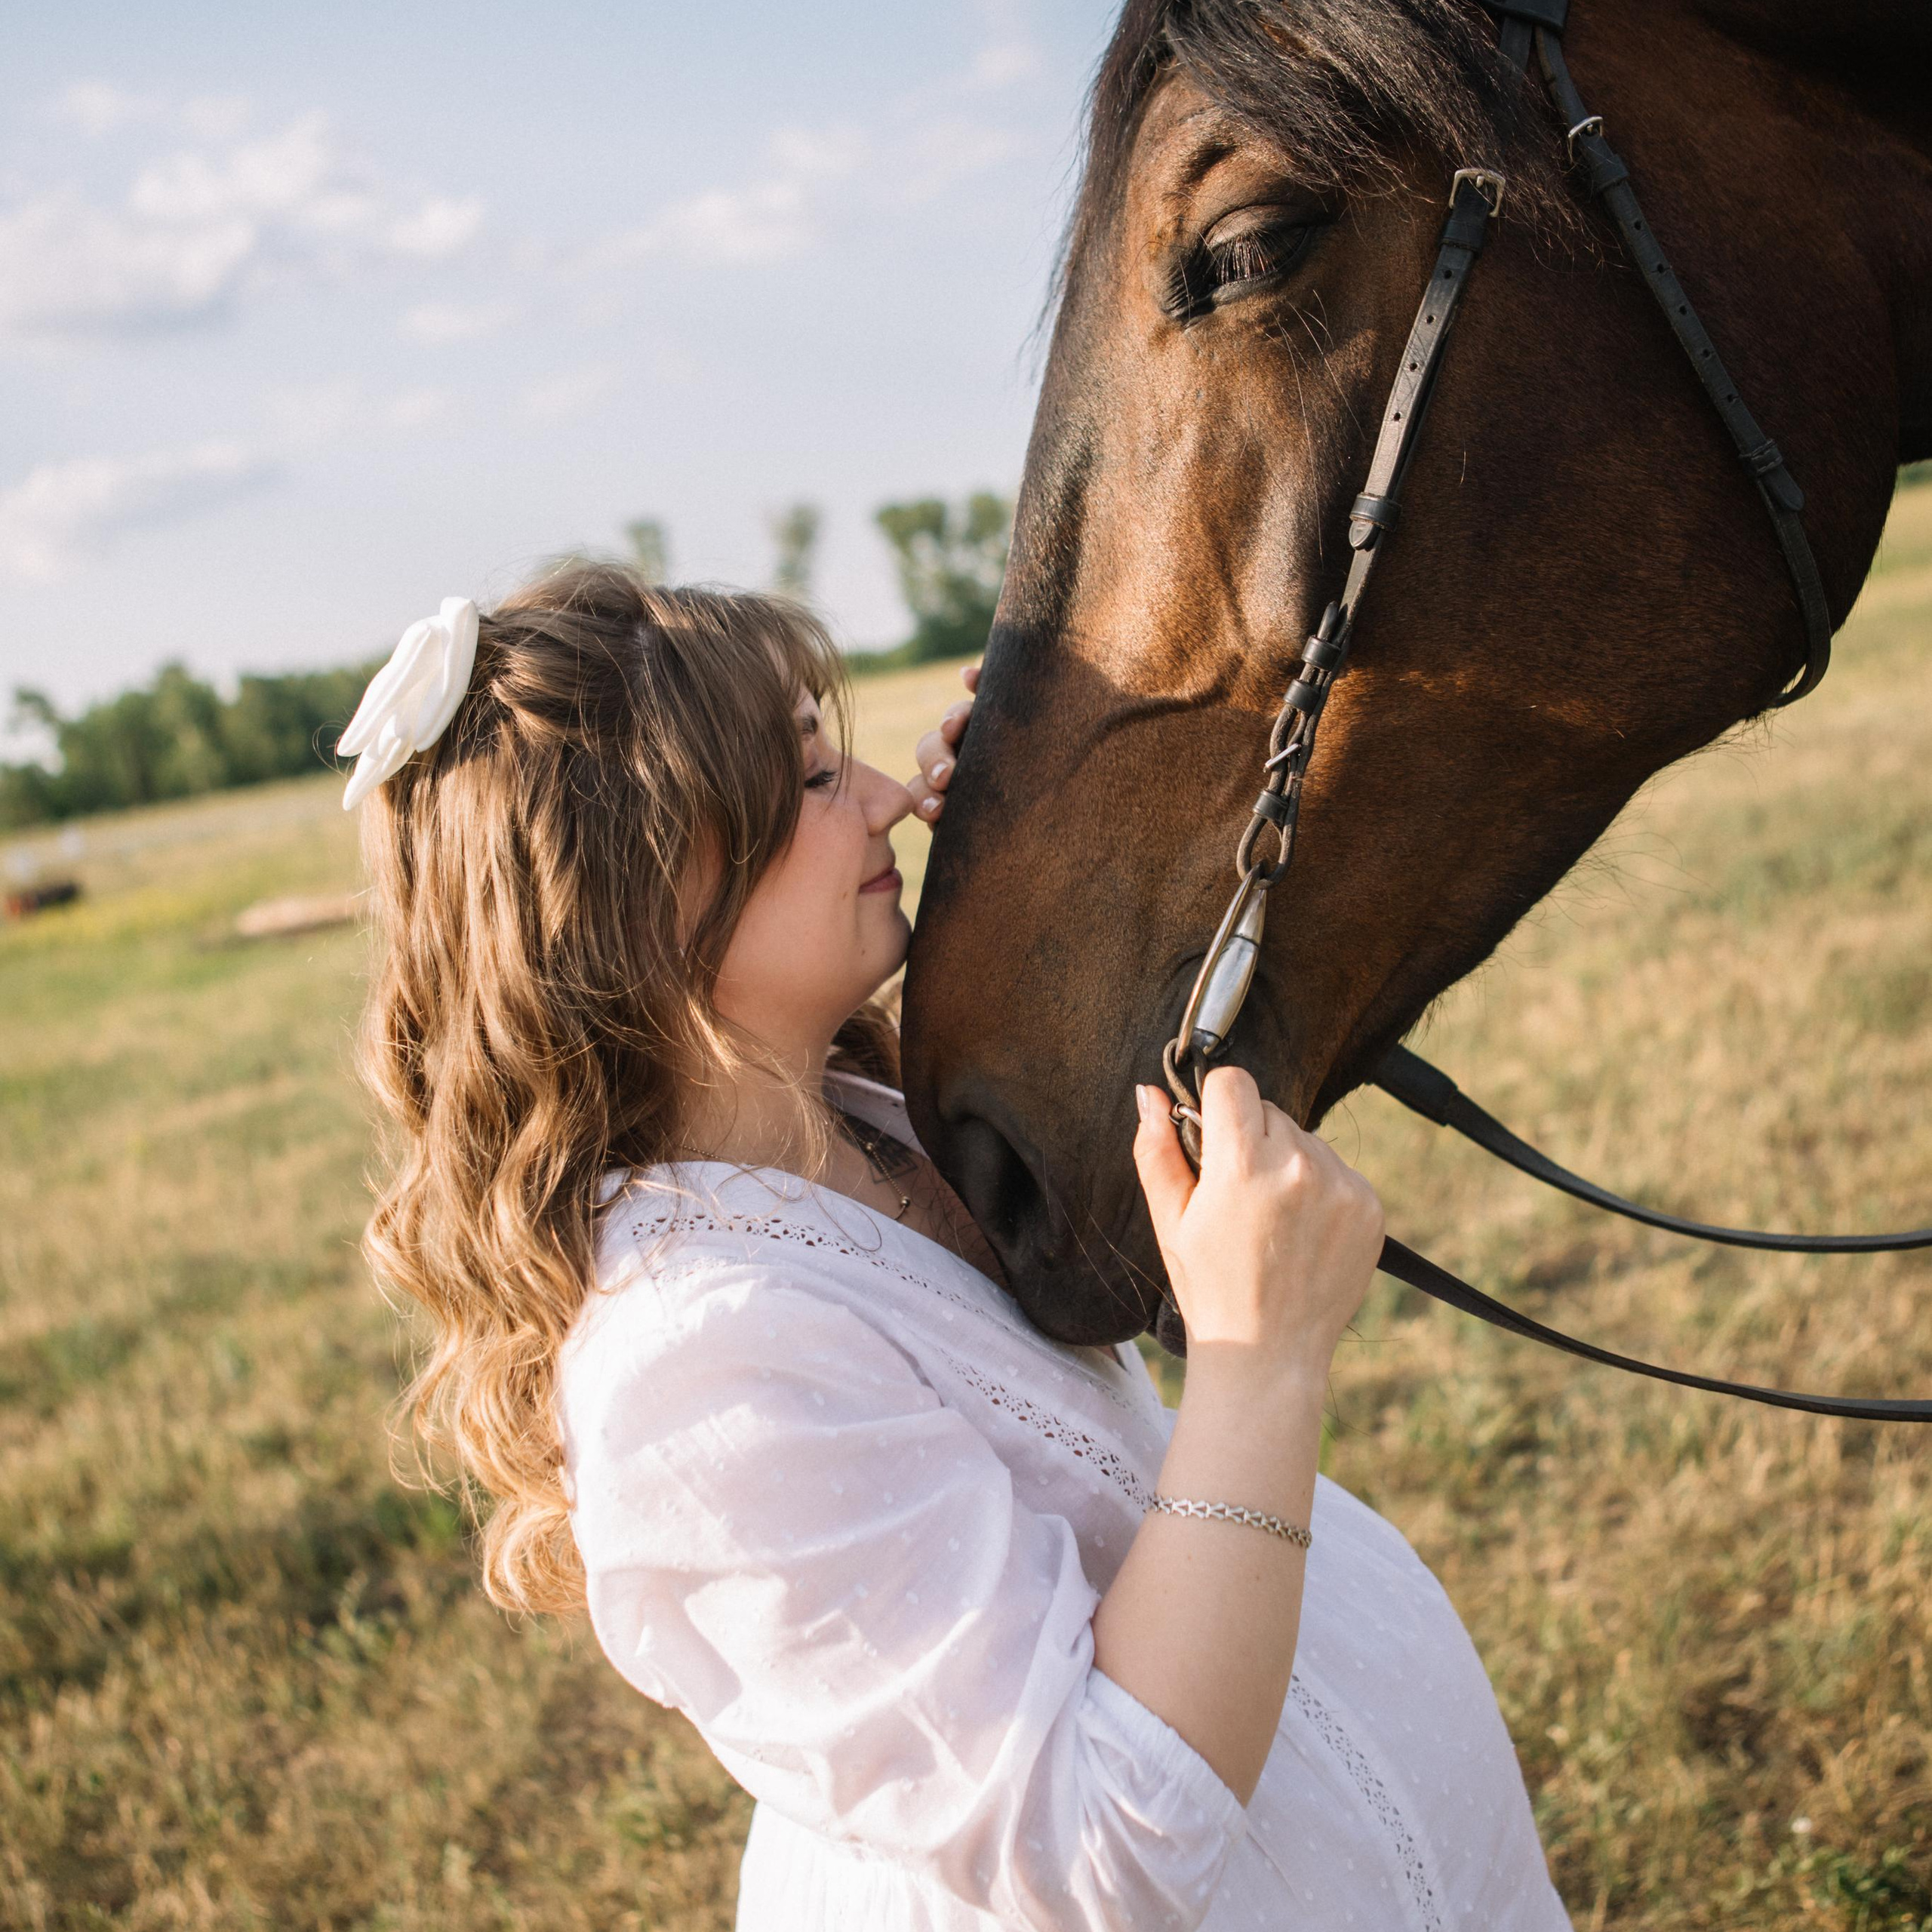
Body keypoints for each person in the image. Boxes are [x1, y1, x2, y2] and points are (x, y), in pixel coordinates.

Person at [352, 563, 1571, 1931]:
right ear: (638, 901)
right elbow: (1104, 1848)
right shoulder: (690, 1368)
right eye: (812, 781)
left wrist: (1030, 828)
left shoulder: (853, 1111)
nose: (882, 797)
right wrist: (1258, 1365)